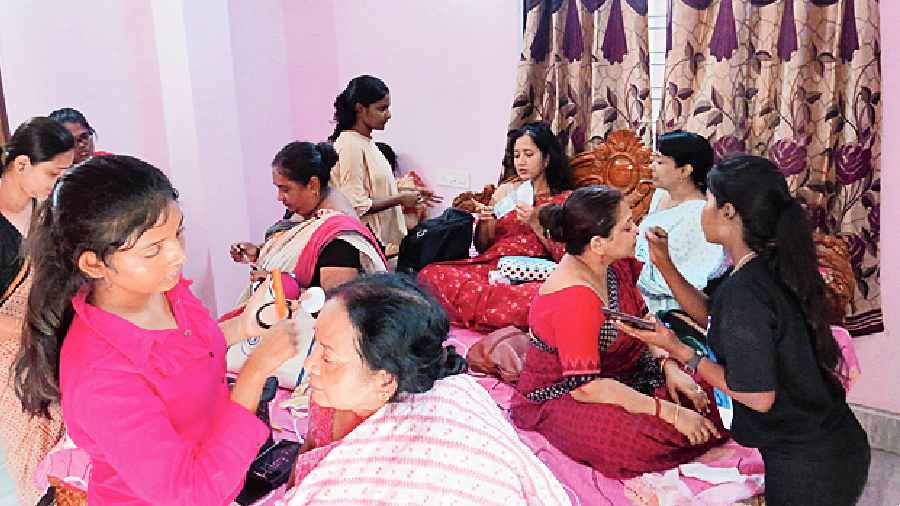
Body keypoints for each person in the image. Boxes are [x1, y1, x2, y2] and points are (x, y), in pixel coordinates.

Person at [14, 155, 305, 505]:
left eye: (177, 233)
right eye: (153, 249)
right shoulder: (100, 376)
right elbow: (189, 492)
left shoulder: (158, 288)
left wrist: (245, 325)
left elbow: (181, 355)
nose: (177, 256)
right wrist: (254, 373)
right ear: (93, 263)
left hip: (221, 471)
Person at [616, 155, 870, 505]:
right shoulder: (762, 265)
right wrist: (665, 264)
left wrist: (681, 353)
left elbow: (756, 396)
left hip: (811, 464)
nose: (702, 210)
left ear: (729, 212)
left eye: (708, 200)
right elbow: (715, 317)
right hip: (828, 444)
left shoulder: (747, 291)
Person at [280, 273, 570, 506]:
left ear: (385, 380)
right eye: (316, 345)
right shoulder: (329, 396)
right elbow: (308, 454)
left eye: (328, 356)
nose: (309, 363)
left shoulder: (430, 468)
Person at [509, 185, 726, 478]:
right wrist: (669, 413)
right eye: (627, 227)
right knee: (630, 442)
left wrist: (669, 366)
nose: (637, 230)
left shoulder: (614, 263)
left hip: (627, 368)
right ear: (598, 243)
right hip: (567, 392)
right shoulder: (575, 299)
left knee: (707, 392)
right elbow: (587, 388)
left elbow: (643, 316)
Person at [418, 122, 573, 331]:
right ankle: (493, 317)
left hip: (529, 276)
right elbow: (484, 246)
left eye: (529, 154)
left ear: (546, 159)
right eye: (517, 155)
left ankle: (481, 315)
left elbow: (568, 255)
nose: (521, 162)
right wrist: (487, 222)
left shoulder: (565, 201)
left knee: (543, 298)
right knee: (431, 274)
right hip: (493, 267)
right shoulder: (509, 194)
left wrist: (535, 222)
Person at [0, 117, 74, 504]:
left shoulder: (47, 213)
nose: (56, 183)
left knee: (65, 439)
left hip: (53, 341)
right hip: (11, 353)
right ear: (22, 164)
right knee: (28, 442)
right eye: (53, 173)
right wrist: (39, 332)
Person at [228, 141, 387, 303]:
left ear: (313, 185)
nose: (279, 197)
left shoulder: (339, 238)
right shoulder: (301, 213)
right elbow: (295, 247)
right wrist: (259, 252)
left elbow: (336, 305)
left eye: (286, 189)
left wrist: (279, 283)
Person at [328, 75, 439, 254]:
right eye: (382, 109)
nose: (388, 115)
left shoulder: (366, 142)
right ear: (360, 109)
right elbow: (356, 204)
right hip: (367, 247)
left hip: (383, 244)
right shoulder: (349, 145)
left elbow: (372, 189)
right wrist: (400, 199)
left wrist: (407, 193)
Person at [635, 131, 725, 315]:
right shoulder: (661, 195)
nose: (651, 167)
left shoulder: (699, 215)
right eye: (653, 160)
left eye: (660, 162)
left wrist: (630, 270)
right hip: (639, 290)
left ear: (685, 170)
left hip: (670, 308)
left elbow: (689, 279)